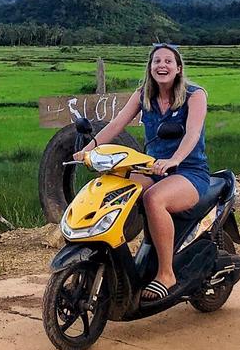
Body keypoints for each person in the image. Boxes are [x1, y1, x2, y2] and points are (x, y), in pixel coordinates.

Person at [73, 43, 209, 302]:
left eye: (168, 61)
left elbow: (192, 133)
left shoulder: (195, 95)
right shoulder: (143, 95)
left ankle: (166, 273)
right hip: (153, 168)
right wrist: (88, 151)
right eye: (157, 61)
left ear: (178, 68)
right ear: (150, 67)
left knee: (153, 199)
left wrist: (174, 159)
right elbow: (116, 124)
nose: (162, 65)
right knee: (113, 186)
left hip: (189, 171)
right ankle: (110, 254)